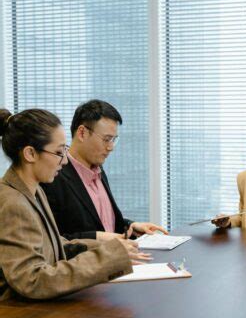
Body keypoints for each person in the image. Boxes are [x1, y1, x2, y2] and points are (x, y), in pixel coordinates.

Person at [0, 108, 149, 300]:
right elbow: (32, 280)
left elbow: (56, 245)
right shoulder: (13, 203)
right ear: (30, 154)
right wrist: (107, 259)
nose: (63, 162)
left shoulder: (33, 191)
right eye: (58, 152)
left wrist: (110, 249)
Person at [42, 100, 168, 241]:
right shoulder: (53, 176)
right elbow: (54, 242)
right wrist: (97, 238)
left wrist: (131, 225)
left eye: (113, 139)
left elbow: (106, 225)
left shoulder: (98, 169)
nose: (111, 147)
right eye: (106, 139)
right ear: (82, 133)